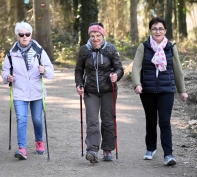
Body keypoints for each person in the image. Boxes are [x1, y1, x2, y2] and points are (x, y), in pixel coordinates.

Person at [132, 17, 188, 166]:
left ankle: (168, 155)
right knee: (151, 120)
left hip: (166, 89)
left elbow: (178, 70)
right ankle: (150, 149)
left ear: (165, 30)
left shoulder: (170, 47)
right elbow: (136, 67)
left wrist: (182, 90)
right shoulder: (144, 47)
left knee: (164, 121)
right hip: (148, 89)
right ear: (150, 30)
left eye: (160, 28)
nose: (158, 31)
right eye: (154, 29)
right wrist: (137, 84)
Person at [1, 21, 54, 160]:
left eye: (27, 34)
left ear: (31, 35)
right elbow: (5, 71)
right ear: (17, 36)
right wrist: (8, 77)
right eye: (21, 34)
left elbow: (50, 71)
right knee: (21, 119)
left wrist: (44, 70)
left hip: (37, 91)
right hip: (19, 91)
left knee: (37, 119)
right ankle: (22, 148)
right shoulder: (11, 53)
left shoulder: (39, 51)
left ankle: (39, 141)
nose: (25, 37)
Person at [75, 22, 124, 163]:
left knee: (108, 120)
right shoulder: (84, 50)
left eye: (98, 36)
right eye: (92, 36)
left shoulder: (110, 49)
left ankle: (107, 150)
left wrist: (116, 75)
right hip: (90, 91)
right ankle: (92, 150)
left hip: (109, 90)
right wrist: (79, 84)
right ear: (89, 36)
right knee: (92, 121)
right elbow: (79, 70)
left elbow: (119, 68)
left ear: (103, 36)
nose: (95, 38)